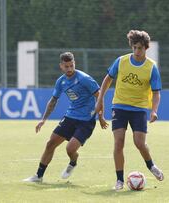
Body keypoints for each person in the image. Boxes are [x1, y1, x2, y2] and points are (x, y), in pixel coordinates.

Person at [23, 52, 108, 183]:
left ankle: (73, 162)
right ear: (61, 66)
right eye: (66, 66)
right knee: (50, 144)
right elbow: (53, 101)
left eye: (71, 66)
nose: (69, 69)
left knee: (70, 149)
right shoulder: (61, 81)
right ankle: (38, 176)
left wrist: (101, 117)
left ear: (74, 64)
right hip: (70, 117)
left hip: (86, 121)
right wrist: (43, 119)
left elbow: (100, 96)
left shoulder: (84, 79)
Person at [95, 30, 164, 191]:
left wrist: (154, 111)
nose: (137, 51)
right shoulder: (121, 61)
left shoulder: (151, 67)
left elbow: (156, 93)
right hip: (119, 106)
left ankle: (151, 166)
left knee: (139, 143)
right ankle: (119, 180)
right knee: (119, 142)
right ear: (131, 46)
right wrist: (100, 99)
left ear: (146, 48)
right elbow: (108, 79)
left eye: (140, 48)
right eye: (134, 47)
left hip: (139, 108)